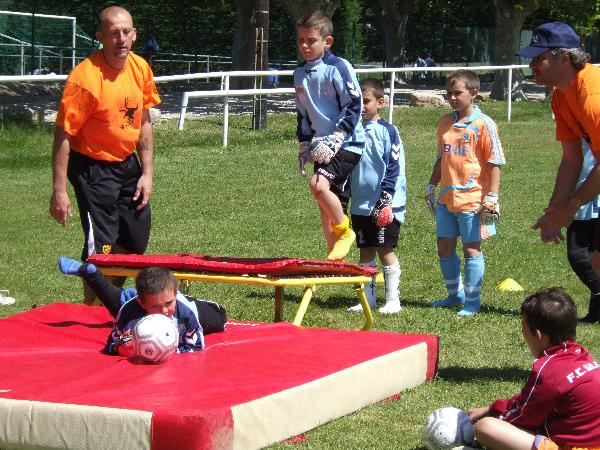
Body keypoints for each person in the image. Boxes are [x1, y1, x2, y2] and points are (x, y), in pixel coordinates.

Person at [49, 6, 161, 304]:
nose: (120, 39)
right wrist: (59, 191)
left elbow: (144, 122)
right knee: (103, 246)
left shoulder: (140, 69)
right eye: (113, 33)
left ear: (134, 35)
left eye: (126, 32)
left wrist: (147, 173)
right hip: (91, 168)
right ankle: (92, 308)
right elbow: (63, 135)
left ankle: (109, 296)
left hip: (127, 165)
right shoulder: (84, 78)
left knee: (135, 239)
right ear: (101, 37)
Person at [516, 22, 600, 324]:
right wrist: (555, 211)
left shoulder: (594, 96)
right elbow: (571, 161)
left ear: (564, 58)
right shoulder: (562, 96)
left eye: (539, 58)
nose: (531, 65)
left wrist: (572, 205)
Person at [466, 287, 600, 450]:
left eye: (523, 329)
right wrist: (490, 408)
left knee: (486, 428)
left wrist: (490, 417)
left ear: (538, 335)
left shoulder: (548, 369)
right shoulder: (581, 354)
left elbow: (522, 416)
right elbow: (531, 399)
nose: (522, 333)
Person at [425, 69, 505, 316]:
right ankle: (454, 295)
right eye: (448, 93)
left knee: (471, 249)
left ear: (473, 92)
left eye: (457, 92)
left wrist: (492, 197)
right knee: (444, 246)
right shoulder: (444, 122)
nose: (452, 97)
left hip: (472, 200)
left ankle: (472, 302)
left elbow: (495, 162)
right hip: (446, 199)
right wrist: (431, 186)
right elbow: (442, 158)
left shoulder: (484, 124)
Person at [294, 10, 365, 261]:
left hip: (347, 143)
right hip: (320, 145)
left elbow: (354, 105)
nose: (304, 45)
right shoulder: (299, 73)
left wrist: (337, 137)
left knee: (318, 185)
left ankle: (346, 232)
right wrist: (304, 144)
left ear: (327, 41)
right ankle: (336, 261)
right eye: (300, 39)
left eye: (311, 40)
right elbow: (303, 113)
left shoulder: (339, 66)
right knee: (325, 204)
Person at [57, 256, 227, 356]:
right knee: (117, 304)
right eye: (156, 307)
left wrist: (165, 352)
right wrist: (120, 348)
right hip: (138, 303)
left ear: (175, 294)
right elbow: (111, 345)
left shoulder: (186, 313)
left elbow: (195, 347)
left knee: (220, 319)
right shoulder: (130, 311)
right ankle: (91, 273)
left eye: (168, 304)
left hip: (193, 307)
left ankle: (128, 291)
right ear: (142, 303)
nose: (164, 312)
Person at [347, 78, 406, 315]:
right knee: (365, 250)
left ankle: (393, 300)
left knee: (384, 249)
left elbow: (393, 166)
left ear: (380, 102)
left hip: (385, 204)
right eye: (359, 101)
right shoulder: (352, 130)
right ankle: (367, 300)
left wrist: (387, 196)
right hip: (360, 204)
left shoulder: (388, 131)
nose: (362, 106)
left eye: (367, 101)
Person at [566, 140, 600, 325]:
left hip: (591, 196)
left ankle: (596, 312)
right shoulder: (576, 126)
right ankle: (596, 312)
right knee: (580, 256)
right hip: (581, 198)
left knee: (589, 258)